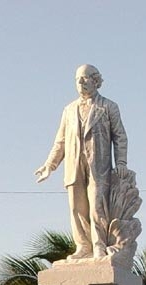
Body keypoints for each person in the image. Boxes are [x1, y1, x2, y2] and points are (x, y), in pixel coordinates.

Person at [34, 64, 129, 260]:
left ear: (96, 81)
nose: (81, 82)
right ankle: (83, 246)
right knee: (76, 208)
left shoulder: (108, 106)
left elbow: (120, 136)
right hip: (74, 166)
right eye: (78, 79)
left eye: (85, 78)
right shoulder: (69, 110)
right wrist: (49, 165)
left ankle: (98, 246)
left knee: (97, 207)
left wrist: (121, 162)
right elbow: (60, 141)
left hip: (99, 166)